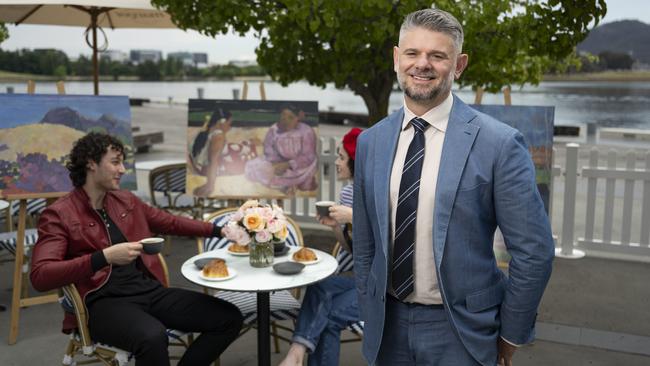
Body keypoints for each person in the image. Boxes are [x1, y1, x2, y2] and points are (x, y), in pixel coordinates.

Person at [353, 8, 554, 366]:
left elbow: (533, 251)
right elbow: (366, 246)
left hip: (463, 332)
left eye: (437, 55)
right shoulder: (371, 142)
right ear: (397, 58)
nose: (422, 64)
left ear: (459, 65)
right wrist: (369, 310)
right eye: (412, 53)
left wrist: (510, 332)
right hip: (387, 329)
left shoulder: (500, 144)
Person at [30, 132, 244, 366]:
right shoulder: (60, 213)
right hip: (100, 304)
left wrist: (219, 230)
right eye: (115, 162)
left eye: (122, 162)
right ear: (91, 163)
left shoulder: (125, 200)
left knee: (228, 317)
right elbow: (41, 276)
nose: (122, 169)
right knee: (152, 337)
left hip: (148, 290)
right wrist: (104, 257)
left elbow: (170, 222)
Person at [278, 127, 362, 366]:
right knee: (319, 286)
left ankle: (294, 356)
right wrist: (336, 226)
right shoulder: (347, 194)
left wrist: (354, 217)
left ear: (357, 161)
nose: (336, 162)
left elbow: (394, 240)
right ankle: (296, 353)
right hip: (362, 279)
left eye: (341, 157)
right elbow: (354, 249)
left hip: (389, 288)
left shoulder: (384, 191)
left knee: (327, 317)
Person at [245, 104, 317, 194]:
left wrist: (289, 164)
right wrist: (276, 164)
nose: (286, 121)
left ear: (297, 118)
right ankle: (285, 185)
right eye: (283, 118)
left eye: (290, 118)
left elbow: (308, 155)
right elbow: (269, 149)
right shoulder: (274, 130)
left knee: (305, 174)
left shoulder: (306, 131)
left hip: (299, 165)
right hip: (278, 163)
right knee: (254, 166)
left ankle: (293, 183)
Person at [190, 109, 232, 196]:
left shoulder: (207, 131)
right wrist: (210, 185)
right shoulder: (218, 136)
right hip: (212, 170)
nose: (230, 127)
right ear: (221, 122)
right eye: (229, 123)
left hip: (202, 168)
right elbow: (213, 161)